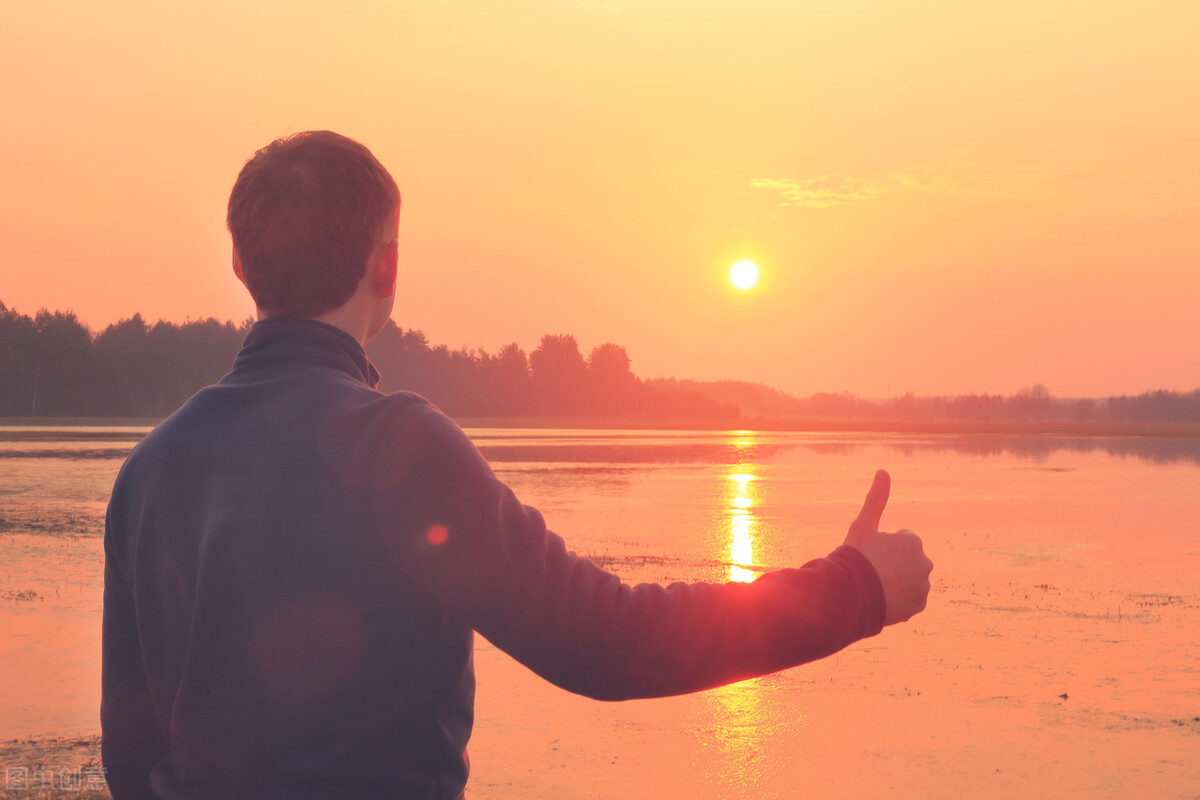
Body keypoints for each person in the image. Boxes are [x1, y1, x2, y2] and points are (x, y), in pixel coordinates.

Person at [101, 130, 933, 799]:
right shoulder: (399, 446)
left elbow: (131, 756)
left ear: (241, 266)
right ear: (387, 267)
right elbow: (604, 641)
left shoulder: (150, 470)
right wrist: (854, 588)